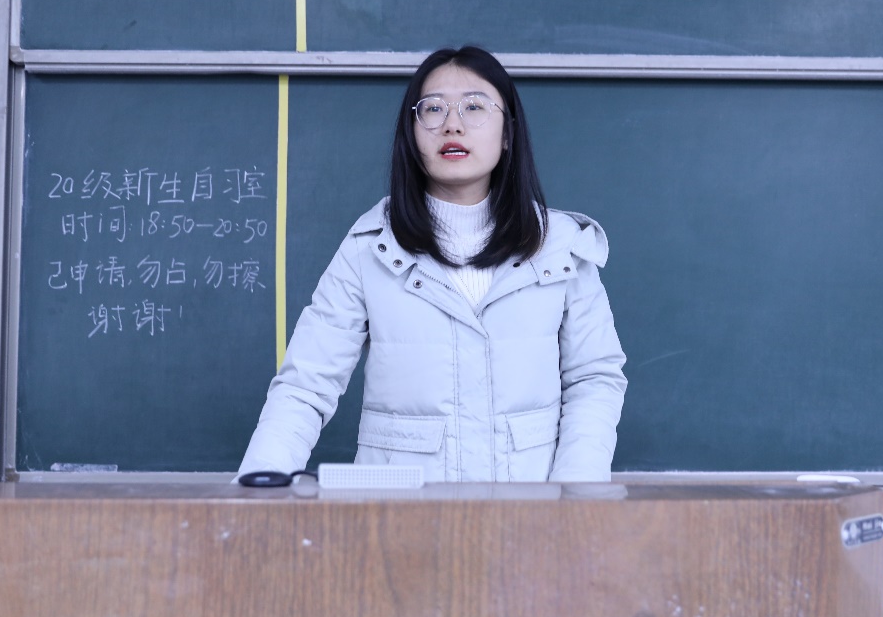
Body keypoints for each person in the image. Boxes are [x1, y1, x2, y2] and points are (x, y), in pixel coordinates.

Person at [237, 46, 627, 483]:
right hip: (400, 512)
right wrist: (259, 488)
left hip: (529, 511)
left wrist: (572, 497)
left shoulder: (561, 246)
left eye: (474, 107)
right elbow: (306, 386)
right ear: (412, 134)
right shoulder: (370, 246)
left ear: (507, 134)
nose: (452, 124)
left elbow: (594, 380)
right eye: (433, 108)